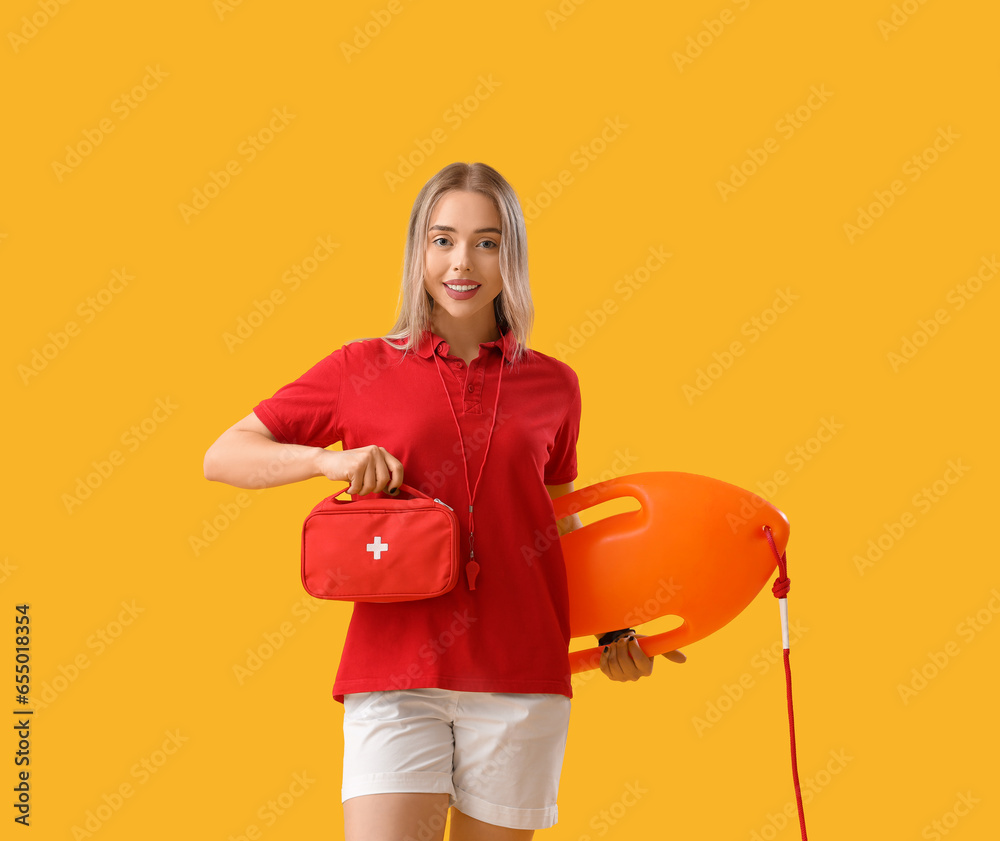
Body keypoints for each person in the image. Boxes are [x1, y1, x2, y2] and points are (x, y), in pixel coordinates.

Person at [203, 162, 684, 841]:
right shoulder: (359, 367)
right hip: (395, 670)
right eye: (443, 240)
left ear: (510, 254)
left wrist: (614, 628)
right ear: (418, 251)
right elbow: (222, 454)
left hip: (520, 675)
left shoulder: (556, 385)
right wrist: (325, 459)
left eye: (487, 242)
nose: (463, 262)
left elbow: (559, 524)